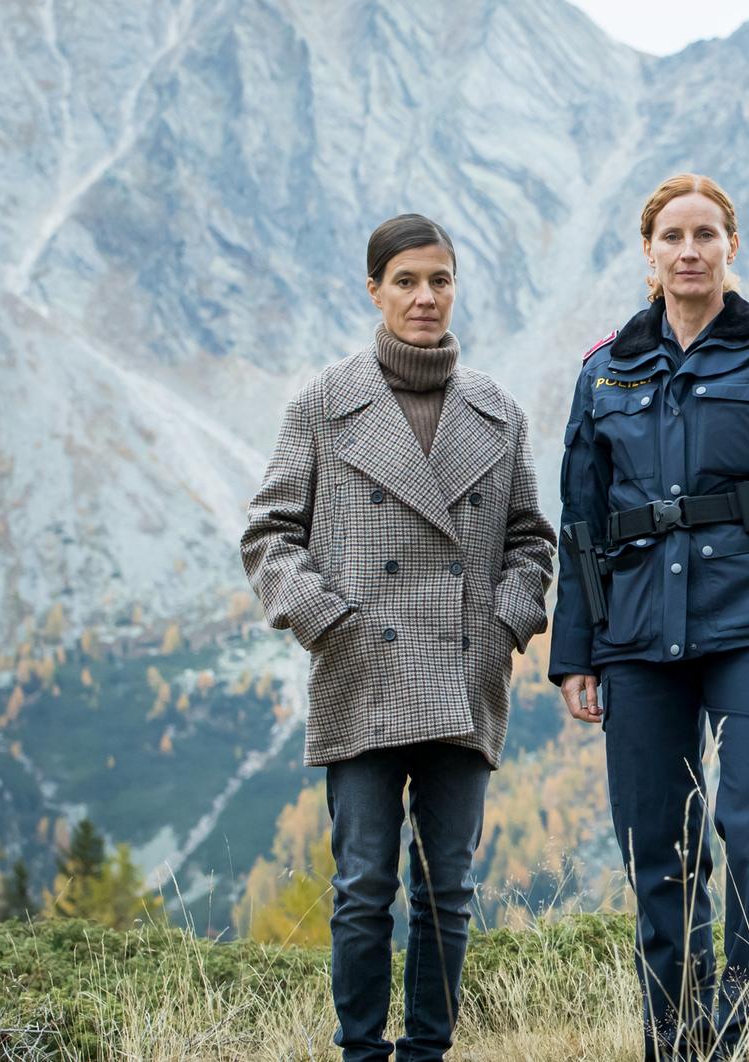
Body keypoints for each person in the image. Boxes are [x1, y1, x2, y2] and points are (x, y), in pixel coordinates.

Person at [549, 174, 749, 1060]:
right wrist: (578, 654)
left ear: (732, 247)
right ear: (648, 253)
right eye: (673, 236)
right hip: (638, 638)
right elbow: (582, 525)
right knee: (659, 849)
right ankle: (676, 1040)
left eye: (706, 234)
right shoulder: (603, 371)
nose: (690, 250)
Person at [242, 214, 555, 1062]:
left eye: (440, 280)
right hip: (362, 670)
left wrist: (502, 624)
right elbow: (270, 535)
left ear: (456, 288)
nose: (425, 297)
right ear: (374, 289)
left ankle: (426, 1054)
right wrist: (328, 623)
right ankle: (359, 1053)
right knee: (362, 888)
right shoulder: (324, 404)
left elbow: (531, 540)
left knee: (447, 889)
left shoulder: (496, 411)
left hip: (464, 667)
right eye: (408, 281)